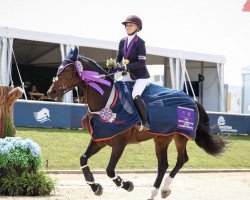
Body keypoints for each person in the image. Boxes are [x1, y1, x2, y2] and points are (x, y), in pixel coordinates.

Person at [116, 15, 151, 130]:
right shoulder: (122, 41)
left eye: (131, 25)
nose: (128, 27)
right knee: (117, 88)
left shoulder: (140, 43)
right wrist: (113, 67)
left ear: (137, 27)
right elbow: (118, 59)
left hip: (141, 76)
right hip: (128, 75)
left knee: (135, 95)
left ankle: (145, 122)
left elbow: (141, 63)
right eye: (126, 25)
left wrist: (126, 66)